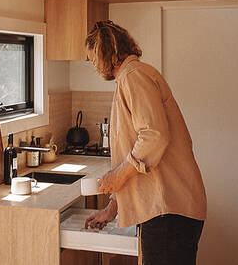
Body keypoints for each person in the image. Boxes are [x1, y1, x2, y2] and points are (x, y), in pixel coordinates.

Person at [83, 20, 207, 265]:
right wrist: (112, 209)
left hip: (168, 211)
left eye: (93, 59)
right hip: (167, 210)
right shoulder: (133, 76)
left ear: (106, 53)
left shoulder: (133, 76)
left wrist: (118, 175)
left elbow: (154, 136)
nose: (94, 66)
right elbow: (138, 149)